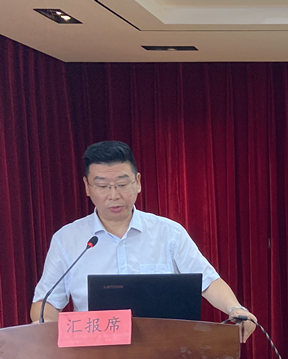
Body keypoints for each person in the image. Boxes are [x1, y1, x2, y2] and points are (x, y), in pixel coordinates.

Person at [30, 141, 257, 342]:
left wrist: (235, 308)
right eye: (102, 186)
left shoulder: (168, 233)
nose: (113, 195)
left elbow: (207, 282)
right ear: (87, 187)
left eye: (122, 184)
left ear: (137, 182)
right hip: (94, 356)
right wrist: (47, 330)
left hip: (165, 350)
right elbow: (45, 303)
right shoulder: (67, 239)